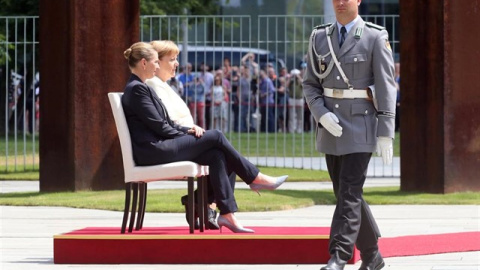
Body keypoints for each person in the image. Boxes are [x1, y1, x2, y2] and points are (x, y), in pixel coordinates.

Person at [121, 41, 288, 233]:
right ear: (144, 63)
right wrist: (187, 133)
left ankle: (227, 213)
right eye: (155, 62)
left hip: (160, 145)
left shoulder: (142, 87)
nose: (158, 66)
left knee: (218, 154)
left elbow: (165, 121)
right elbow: (160, 126)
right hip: (154, 150)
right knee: (216, 136)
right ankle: (254, 177)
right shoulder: (137, 88)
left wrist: (189, 132)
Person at [303, 0, 396, 269]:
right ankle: (372, 255)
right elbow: (310, 84)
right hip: (331, 125)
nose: (341, 2)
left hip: (361, 124)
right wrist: (321, 114)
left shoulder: (375, 36)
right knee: (344, 191)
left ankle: (339, 256)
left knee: (349, 191)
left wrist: (385, 132)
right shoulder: (319, 36)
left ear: (358, 0)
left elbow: (386, 87)